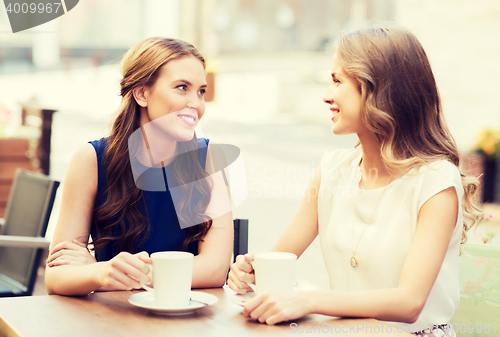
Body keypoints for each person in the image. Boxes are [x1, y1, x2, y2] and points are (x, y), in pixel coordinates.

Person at [227, 26, 481, 336]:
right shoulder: (332, 170)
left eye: (337, 81)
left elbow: (410, 302)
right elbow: (279, 259)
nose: (327, 95)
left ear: (379, 90)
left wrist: (309, 300)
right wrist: (250, 272)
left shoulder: (436, 181)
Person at [45, 37, 234, 296]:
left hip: (186, 318)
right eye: (182, 87)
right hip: (110, 322)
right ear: (142, 93)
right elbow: (57, 275)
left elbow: (215, 269)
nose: (196, 104)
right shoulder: (90, 160)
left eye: (201, 91)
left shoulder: (209, 158)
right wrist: (100, 272)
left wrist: (112, 273)